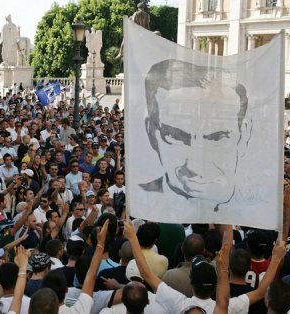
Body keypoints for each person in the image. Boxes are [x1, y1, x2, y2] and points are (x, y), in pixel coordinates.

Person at [139, 59, 252, 213]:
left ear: (243, 136)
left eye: (216, 138)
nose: (194, 167)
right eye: (176, 137)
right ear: (151, 133)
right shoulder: (138, 202)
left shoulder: (261, 207)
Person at [123, 220, 287, 313]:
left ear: (191, 282)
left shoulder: (180, 304)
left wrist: (132, 238)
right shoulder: (226, 307)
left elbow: (146, 272)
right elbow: (260, 292)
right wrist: (276, 258)